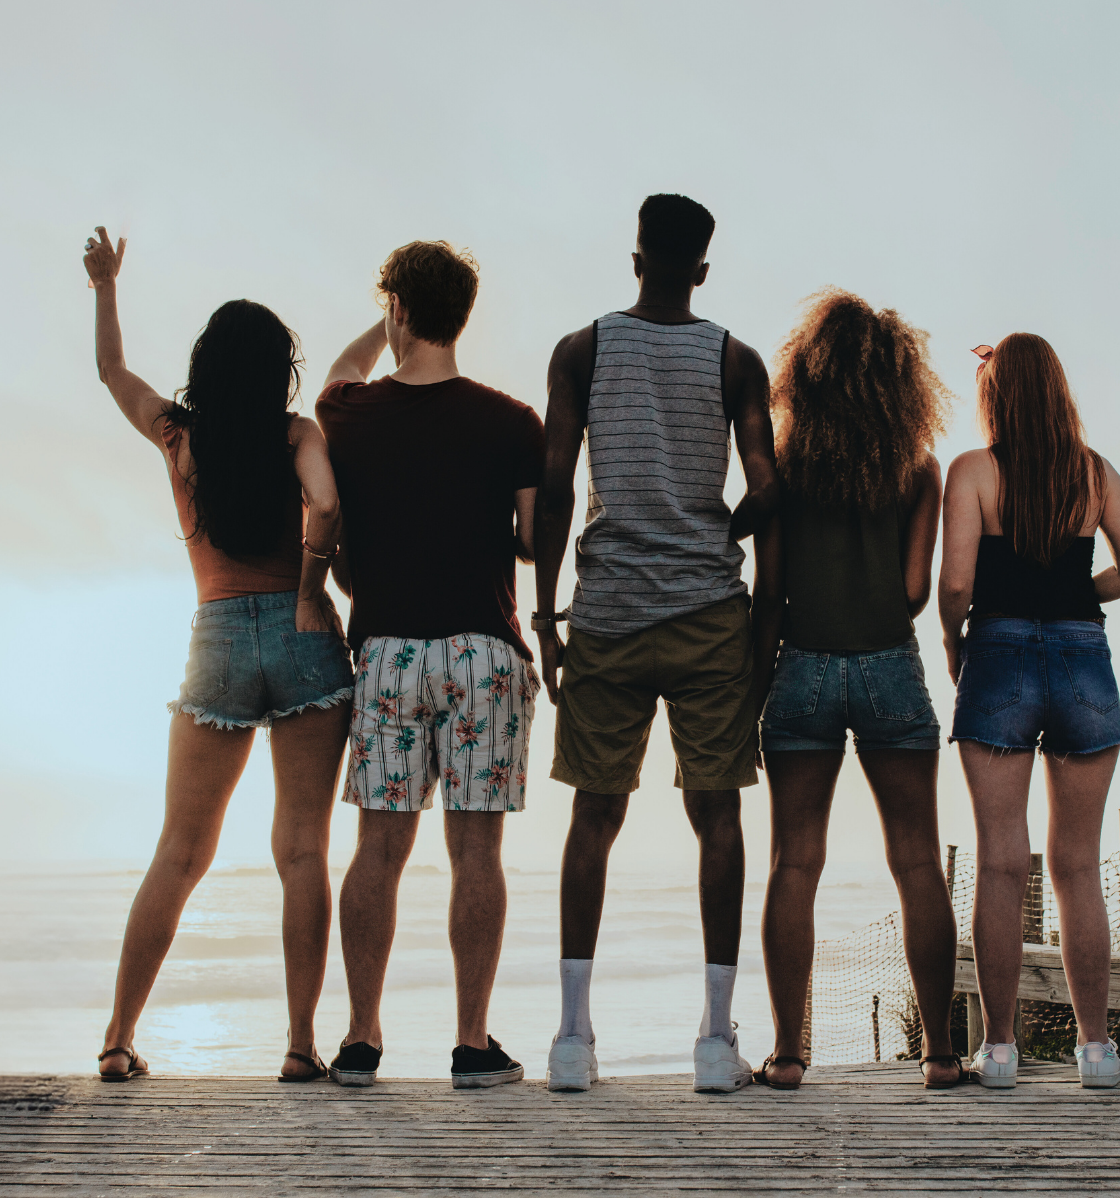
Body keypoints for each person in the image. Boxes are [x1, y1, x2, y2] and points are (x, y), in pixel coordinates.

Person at [82, 227, 354, 1084]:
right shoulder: (294, 432)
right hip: (307, 639)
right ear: (280, 371)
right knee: (302, 849)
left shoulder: (177, 435)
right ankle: (301, 1045)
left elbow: (111, 375)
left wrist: (105, 287)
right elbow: (327, 501)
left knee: (180, 851)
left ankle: (120, 1037)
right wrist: (311, 587)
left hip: (219, 636)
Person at [532, 194, 779, 1094]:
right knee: (718, 817)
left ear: (635, 257)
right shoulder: (734, 359)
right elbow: (767, 484)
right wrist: (725, 536)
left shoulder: (582, 350)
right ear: (702, 270)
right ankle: (715, 1043)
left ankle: (571, 1040)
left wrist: (543, 613)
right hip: (710, 613)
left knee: (593, 818)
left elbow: (556, 489)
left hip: (606, 612)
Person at [313, 240, 544, 1091]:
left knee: (378, 850)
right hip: (482, 650)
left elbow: (337, 371)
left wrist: (383, 330)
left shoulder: (350, 412)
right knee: (476, 853)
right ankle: (472, 1043)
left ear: (398, 309)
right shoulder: (514, 421)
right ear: (465, 315)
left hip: (386, 651)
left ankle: (362, 1039)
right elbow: (531, 540)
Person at [752, 290, 960, 1092]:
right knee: (915, 863)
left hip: (800, 662)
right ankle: (941, 1054)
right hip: (888, 666)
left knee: (793, 865)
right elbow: (914, 590)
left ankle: (789, 1053)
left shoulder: (783, 463)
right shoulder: (919, 468)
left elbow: (770, 586)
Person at [937, 332, 1120, 1090]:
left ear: (995, 395)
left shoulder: (972, 472)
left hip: (998, 657)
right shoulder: (1094, 474)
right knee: (1077, 868)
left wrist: (953, 641)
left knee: (999, 863)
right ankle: (1096, 1052)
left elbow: (957, 584)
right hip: (1083, 659)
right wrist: (1075, 598)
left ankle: (998, 1051)